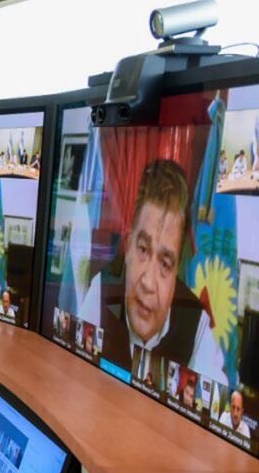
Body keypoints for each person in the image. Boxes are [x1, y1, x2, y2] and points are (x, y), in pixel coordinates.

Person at [81, 159, 227, 384]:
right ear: (128, 246)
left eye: (165, 264)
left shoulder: (197, 327)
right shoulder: (101, 288)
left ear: (177, 270)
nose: (148, 283)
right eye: (142, 249)